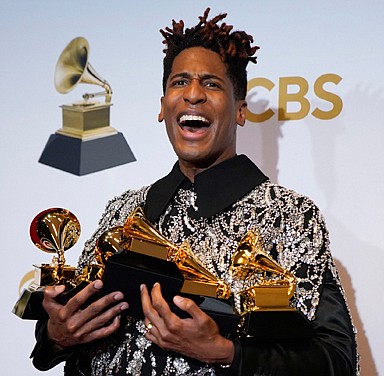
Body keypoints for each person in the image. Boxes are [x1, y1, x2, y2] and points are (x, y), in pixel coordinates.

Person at [31, 8, 359, 375]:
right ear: (162, 107)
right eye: (179, 82)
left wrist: (225, 352)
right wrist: (58, 336)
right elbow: (56, 341)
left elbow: (339, 361)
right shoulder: (122, 211)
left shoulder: (291, 216)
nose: (193, 95)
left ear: (239, 110)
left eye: (212, 84)